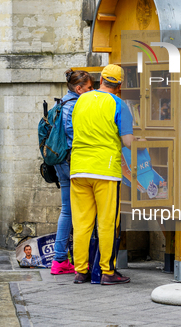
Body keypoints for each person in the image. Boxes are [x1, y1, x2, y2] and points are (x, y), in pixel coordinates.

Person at [70, 64, 135, 285]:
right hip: (105, 171)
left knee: (81, 223)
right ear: (120, 85)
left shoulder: (81, 100)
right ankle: (107, 272)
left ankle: (80, 271)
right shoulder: (119, 104)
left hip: (78, 169)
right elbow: (127, 141)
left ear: (101, 81)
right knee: (107, 222)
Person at [51, 69, 94, 275]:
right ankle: (83, 261)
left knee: (67, 210)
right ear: (79, 89)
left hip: (60, 162)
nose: (91, 91)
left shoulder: (59, 103)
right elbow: (75, 135)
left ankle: (60, 260)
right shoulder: (75, 106)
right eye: (89, 88)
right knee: (83, 212)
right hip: (73, 163)